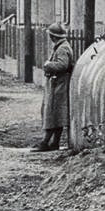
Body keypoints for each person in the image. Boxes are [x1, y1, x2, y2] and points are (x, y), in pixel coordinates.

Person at [32, 22, 74, 152]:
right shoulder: (61, 46)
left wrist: (48, 65)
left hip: (59, 85)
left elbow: (63, 65)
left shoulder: (62, 48)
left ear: (53, 37)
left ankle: (45, 142)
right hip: (57, 84)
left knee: (52, 114)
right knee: (56, 115)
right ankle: (54, 143)